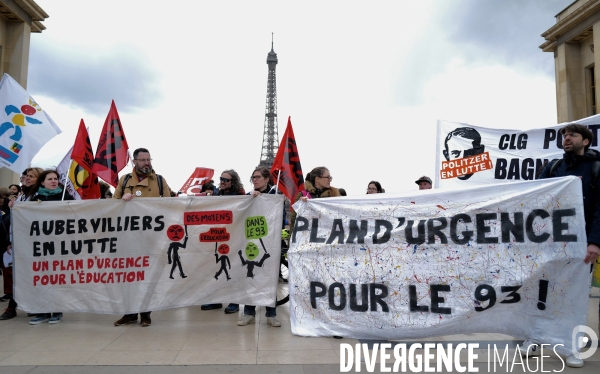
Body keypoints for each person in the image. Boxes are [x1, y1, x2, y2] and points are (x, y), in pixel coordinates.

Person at [519, 124, 600, 368]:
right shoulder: (554, 167)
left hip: (581, 243)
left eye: (572, 135)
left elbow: (599, 208)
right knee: (543, 290)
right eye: (564, 135)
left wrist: (595, 242)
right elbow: (537, 196)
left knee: (574, 295)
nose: (566, 138)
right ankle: (535, 336)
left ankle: (570, 345)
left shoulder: (596, 168)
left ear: (585, 141)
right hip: (551, 243)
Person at [112, 148, 172, 327]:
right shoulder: (125, 180)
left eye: (149, 159)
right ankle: (129, 313)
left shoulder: (160, 181)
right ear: (134, 162)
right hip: (129, 237)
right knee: (128, 276)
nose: (147, 163)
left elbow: (170, 205)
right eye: (143, 160)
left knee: (148, 276)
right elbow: (111, 206)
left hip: (151, 238)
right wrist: (122, 199)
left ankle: (146, 313)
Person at [27, 169, 75, 324]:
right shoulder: (34, 199)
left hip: (60, 244)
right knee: (41, 278)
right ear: (42, 182)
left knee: (56, 278)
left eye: (56, 179)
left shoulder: (66, 197)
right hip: (41, 245)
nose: (54, 181)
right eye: (50, 179)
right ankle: (43, 311)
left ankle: (57, 310)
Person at [237, 166, 281, 327]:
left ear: (267, 179)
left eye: (257, 177)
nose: (254, 180)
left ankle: (271, 314)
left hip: (270, 244)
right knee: (252, 279)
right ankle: (249, 313)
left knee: (269, 279)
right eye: (252, 177)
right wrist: (250, 199)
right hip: (252, 243)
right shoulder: (248, 196)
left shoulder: (275, 196)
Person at [0, 167, 44, 320]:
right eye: (27, 176)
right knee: (17, 275)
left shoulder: (40, 196)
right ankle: (13, 306)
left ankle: (32, 305)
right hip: (20, 240)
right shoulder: (22, 197)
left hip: (35, 242)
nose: (28, 178)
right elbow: (14, 222)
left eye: (32, 176)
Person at [201, 170, 245, 314]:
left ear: (233, 182)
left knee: (233, 268)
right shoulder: (217, 194)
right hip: (218, 236)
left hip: (234, 236)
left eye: (225, 180)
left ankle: (234, 301)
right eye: (221, 179)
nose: (222, 182)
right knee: (216, 268)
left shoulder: (240, 195)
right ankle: (216, 299)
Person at [289, 167, 341, 232]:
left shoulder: (334, 195)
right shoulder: (303, 195)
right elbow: (294, 220)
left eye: (330, 177)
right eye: (327, 177)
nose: (330, 180)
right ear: (317, 179)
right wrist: (301, 205)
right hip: (307, 238)